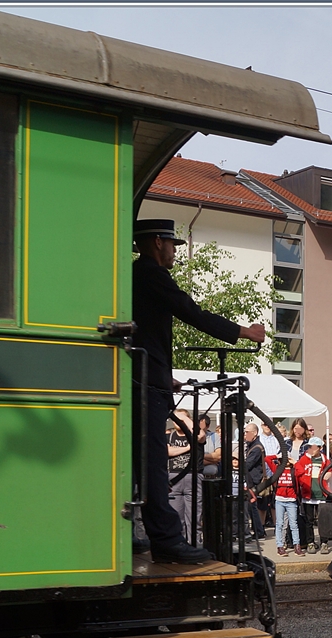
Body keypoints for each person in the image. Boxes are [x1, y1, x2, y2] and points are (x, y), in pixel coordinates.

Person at [131, 218, 265, 564]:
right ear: (158, 242)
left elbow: (145, 334)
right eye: (173, 244)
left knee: (138, 462)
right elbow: (192, 312)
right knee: (153, 464)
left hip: (150, 378)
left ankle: (136, 532)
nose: (176, 250)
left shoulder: (136, 276)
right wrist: (243, 332)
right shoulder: (151, 274)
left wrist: (164, 375)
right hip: (146, 384)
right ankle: (165, 539)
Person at [167, 410, 205, 546]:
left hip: (193, 476)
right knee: (176, 516)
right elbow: (168, 451)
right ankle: (180, 545)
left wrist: (184, 418)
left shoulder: (195, 435)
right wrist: (188, 448)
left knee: (194, 514)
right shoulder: (169, 436)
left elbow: (201, 435)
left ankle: (195, 544)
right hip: (174, 477)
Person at [296, 437, 330, 554]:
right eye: (309, 447)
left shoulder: (325, 460)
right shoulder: (304, 459)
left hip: (322, 494)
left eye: (313, 447)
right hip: (308, 494)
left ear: (320, 448)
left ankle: (324, 542)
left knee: (322, 520)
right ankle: (310, 542)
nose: (310, 449)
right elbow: (298, 471)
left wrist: (329, 474)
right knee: (309, 520)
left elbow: (331, 471)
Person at [265, 450, 302, 556]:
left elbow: (302, 471)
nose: (285, 461)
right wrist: (277, 455)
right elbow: (267, 459)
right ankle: (280, 546)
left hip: (291, 501)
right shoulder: (277, 469)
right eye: (283, 459)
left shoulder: (294, 470)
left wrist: (295, 462)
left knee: (294, 524)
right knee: (279, 524)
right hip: (280, 500)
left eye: (287, 459)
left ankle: (297, 545)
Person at [241, 422, 268, 543]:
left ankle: (259, 531)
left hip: (254, 481)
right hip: (251, 479)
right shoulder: (251, 445)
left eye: (247, 432)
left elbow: (248, 464)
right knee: (252, 507)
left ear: (255, 433)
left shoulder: (257, 448)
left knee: (252, 507)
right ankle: (258, 530)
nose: (245, 434)